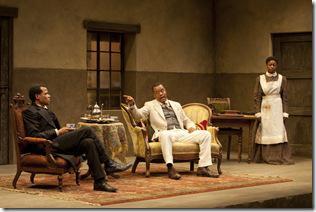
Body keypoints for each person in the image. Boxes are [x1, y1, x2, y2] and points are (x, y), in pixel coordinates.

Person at [23, 85, 132, 192]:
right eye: (46, 93)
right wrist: (57, 132)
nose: (49, 96)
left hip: (55, 142)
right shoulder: (30, 112)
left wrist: (65, 132)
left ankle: (99, 182)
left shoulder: (48, 111)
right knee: (87, 130)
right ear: (37, 96)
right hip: (45, 146)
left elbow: (58, 130)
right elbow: (34, 135)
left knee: (88, 142)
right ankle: (108, 163)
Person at [123, 83, 219, 180]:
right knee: (165, 135)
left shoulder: (176, 104)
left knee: (206, 134)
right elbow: (138, 115)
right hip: (165, 133)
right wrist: (132, 104)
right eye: (157, 92)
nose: (161, 94)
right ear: (154, 95)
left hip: (181, 132)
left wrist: (191, 126)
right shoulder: (150, 105)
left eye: (162, 90)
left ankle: (203, 167)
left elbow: (186, 120)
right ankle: (170, 168)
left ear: (165, 91)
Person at [253, 56, 294, 165]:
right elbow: (257, 97)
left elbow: (285, 97)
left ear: (276, 66)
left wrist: (285, 112)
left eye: (274, 65)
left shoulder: (282, 79)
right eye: (270, 64)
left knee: (278, 131)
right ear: (266, 65)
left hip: (277, 107)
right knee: (266, 130)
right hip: (265, 107)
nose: (272, 66)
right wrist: (258, 112)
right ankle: (264, 156)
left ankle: (279, 156)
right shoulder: (260, 78)